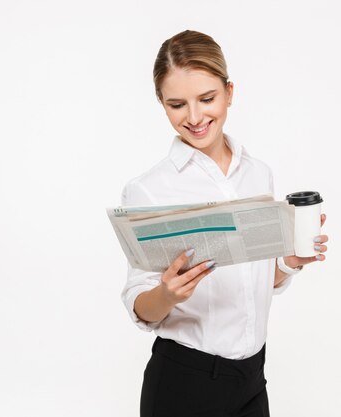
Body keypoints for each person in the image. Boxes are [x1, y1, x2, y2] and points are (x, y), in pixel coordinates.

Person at [120, 30, 329, 417]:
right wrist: (167, 295)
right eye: (177, 104)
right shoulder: (148, 190)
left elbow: (254, 280)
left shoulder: (258, 175)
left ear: (229, 92)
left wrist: (287, 263)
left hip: (252, 378)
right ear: (162, 105)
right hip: (184, 382)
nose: (195, 117)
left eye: (207, 98)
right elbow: (140, 304)